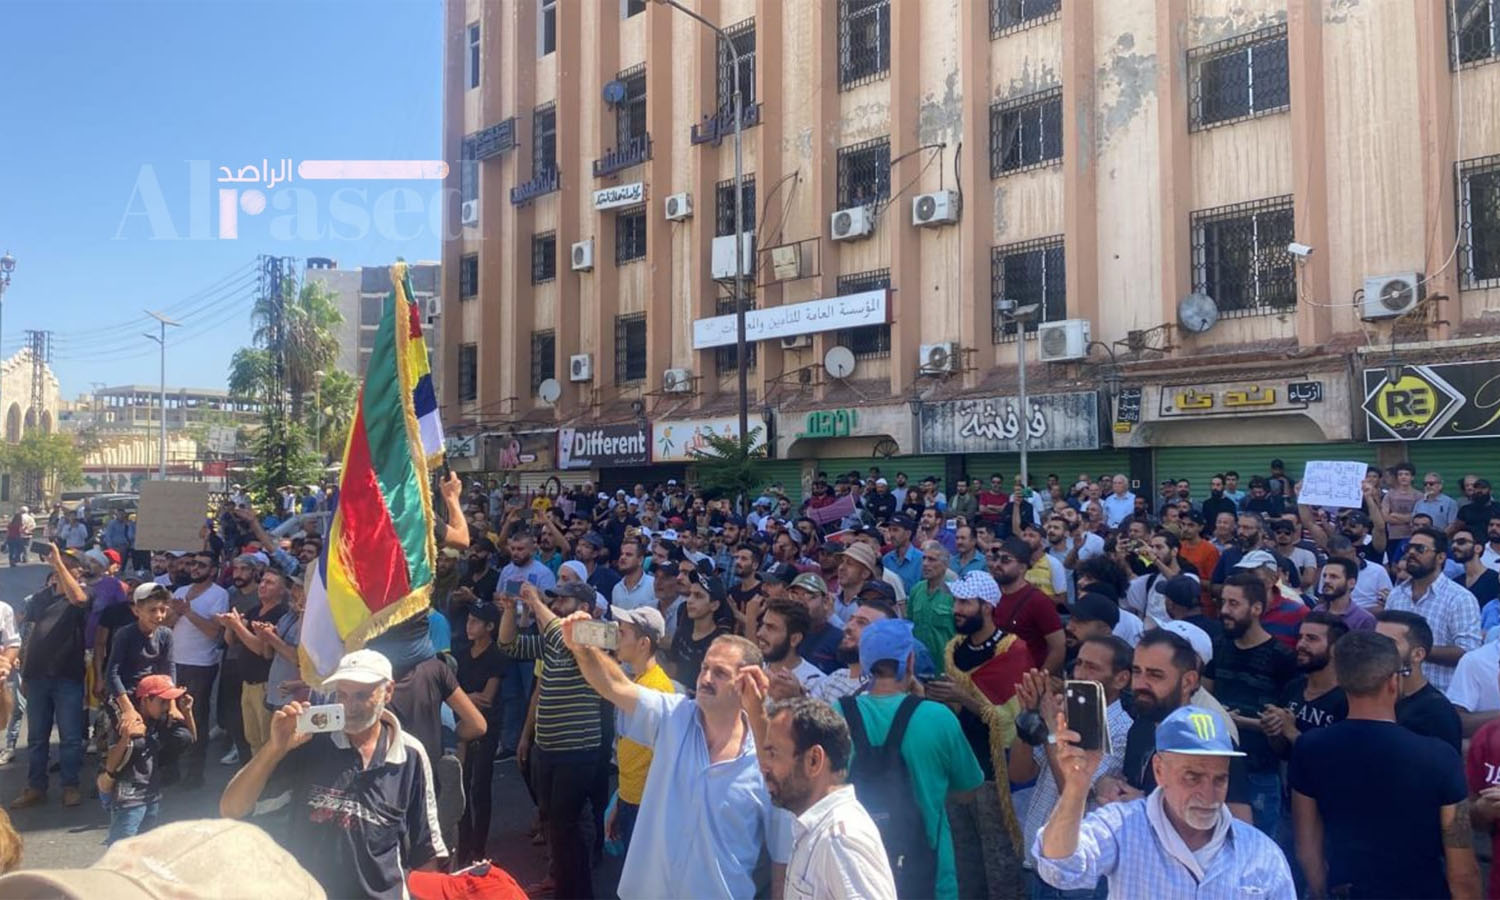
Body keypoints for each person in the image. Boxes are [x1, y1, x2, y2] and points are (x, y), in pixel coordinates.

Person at [559, 613, 792, 899]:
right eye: (705, 667)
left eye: (720, 673)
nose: (705, 678)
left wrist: (758, 712)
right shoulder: (673, 715)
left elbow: (782, 859)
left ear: (749, 683)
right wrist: (583, 649)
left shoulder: (767, 762)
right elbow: (614, 685)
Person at [219, 649, 448, 898]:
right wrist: (274, 749)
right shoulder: (311, 742)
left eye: (361, 695)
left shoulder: (409, 754)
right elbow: (232, 808)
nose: (349, 707)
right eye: (343, 694)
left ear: (388, 691)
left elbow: (425, 851)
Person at [1290, 630, 1479, 900]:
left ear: (1341, 680)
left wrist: (1321, 891)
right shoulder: (1440, 756)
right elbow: (1462, 869)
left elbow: (1306, 847)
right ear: (1393, 681)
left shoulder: (1309, 747)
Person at [1034, 705, 1293, 897]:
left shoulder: (1261, 853)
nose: (1208, 794)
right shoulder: (1121, 827)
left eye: (1220, 780)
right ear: (1159, 770)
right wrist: (1076, 787)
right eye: (1193, 777)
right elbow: (1060, 866)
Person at [835, 618, 982, 899]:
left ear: (865, 663)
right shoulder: (938, 718)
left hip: (853, 876)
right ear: (910, 661)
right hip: (929, 878)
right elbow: (968, 790)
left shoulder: (836, 714)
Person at [925, 570, 1032, 897]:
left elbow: (1012, 720)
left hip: (993, 771)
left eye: (965, 602)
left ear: (986, 607)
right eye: (956, 600)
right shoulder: (953, 649)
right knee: (963, 856)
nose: (956, 608)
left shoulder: (1013, 651)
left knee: (999, 859)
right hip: (957, 766)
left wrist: (962, 699)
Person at [498, 582, 604, 899]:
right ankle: (565, 887)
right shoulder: (553, 637)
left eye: (563, 600)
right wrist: (509, 611)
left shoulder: (598, 632)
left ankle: (579, 892)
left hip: (578, 750)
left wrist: (533, 601)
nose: (556, 605)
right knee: (555, 825)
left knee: (568, 827)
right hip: (550, 748)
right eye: (553, 599)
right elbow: (509, 645)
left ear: (583, 606)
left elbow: (561, 634)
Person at [1010, 637, 1133, 899]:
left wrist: (1053, 733)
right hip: (1037, 861)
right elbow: (1020, 774)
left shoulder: (1123, 729)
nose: (1080, 674)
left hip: (1076, 875)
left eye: (1092, 667)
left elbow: (1075, 789)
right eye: (1079, 664)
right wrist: (1028, 718)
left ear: (1121, 679)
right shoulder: (1063, 713)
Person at [754, 696, 897, 900]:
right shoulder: (813, 828)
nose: (764, 766)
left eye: (773, 754)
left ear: (814, 760)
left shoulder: (841, 840)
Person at [1207, 573, 1295, 836]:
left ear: (1256, 609)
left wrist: (1238, 721)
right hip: (1216, 766)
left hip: (1259, 772)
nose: (1224, 611)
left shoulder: (1282, 658)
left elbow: (1284, 723)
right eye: (1223, 602)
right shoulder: (1219, 647)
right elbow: (1204, 699)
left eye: (1234, 604)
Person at [12, 548, 89, 809]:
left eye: (69, 565)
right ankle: (36, 787)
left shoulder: (80, 596)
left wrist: (58, 561)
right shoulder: (39, 599)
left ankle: (70, 785)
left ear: (79, 572)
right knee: (36, 738)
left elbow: (78, 598)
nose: (59, 568)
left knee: (69, 737)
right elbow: (30, 634)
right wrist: (24, 672)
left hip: (67, 677)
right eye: (58, 565)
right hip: (37, 678)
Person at [99, 674, 195, 845]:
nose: (167, 707)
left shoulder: (160, 720)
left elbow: (190, 739)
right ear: (145, 700)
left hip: (151, 795)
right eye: (162, 702)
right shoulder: (127, 722)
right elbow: (110, 765)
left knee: (144, 849)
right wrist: (125, 738)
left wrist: (187, 712)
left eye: (168, 702)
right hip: (129, 799)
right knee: (121, 851)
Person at [608, 606, 674, 852]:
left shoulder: (654, 690)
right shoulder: (641, 681)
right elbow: (634, 751)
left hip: (646, 806)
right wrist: (620, 798)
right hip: (631, 797)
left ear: (644, 643)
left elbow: (660, 760)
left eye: (623, 633)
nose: (617, 638)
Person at [1382, 527, 1480, 692]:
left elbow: (1468, 653)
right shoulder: (1396, 595)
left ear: (1441, 557)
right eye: (1409, 548)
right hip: (1394, 693)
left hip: (1440, 695)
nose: (1411, 553)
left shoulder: (1460, 598)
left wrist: (1415, 650)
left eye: (1420, 549)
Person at [167, 549, 229, 789]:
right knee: (170, 716)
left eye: (202, 565)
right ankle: (170, 767)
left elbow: (214, 632)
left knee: (196, 717)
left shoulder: (218, 594)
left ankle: (195, 772)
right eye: (193, 564)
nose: (195, 569)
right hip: (174, 661)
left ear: (213, 571)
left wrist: (188, 612)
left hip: (201, 664)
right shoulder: (181, 591)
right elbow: (168, 624)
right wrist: (175, 613)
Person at [452, 603, 504, 866]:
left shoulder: (496, 656)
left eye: (475, 622)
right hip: (462, 726)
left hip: (487, 727)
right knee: (461, 784)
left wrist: (463, 696)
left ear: (490, 627)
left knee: (480, 786)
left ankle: (478, 847)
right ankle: (463, 843)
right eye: (468, 620)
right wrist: (466, 697)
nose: (469, 626)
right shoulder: (461, 653)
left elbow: (486, 698)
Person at [1261, 612, 1349, 755]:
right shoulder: (1294, 687)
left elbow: (1335, 759)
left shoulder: (1348, 699)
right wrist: (1274, 731)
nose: (1301, 644)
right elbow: (1283, 752)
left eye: (1311, 639)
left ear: (1336, 648)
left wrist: (1292, 732)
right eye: (1300, 637)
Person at [1375, 609, 1463, 753]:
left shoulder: (1436, 714)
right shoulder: (1365, 697)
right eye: (1374, 640)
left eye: (1388, 643)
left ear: (1417, 654)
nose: (1376, 649)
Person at [986, 538, 1065, 673]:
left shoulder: (1038, 601)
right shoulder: (990, 593)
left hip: (1024, 680)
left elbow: (1058, 646)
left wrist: (1039, 680)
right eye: (996, 558)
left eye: (1006, 560)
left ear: (1022, 568)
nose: (997, 564)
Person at [664, 573, 730, 689]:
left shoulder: (720, 643)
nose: (690, 600)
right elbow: (672, 666)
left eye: (698, 596)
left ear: (714, 605)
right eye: (690, 594)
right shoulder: (683, 630)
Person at [757, 598, 825, 693]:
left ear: (795, 639)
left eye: (771, 628)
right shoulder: (754, 670)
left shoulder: (815, 683)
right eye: (762, 625)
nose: (760, 633)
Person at [908, 541, 955, 664]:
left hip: (945, 666)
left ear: (945, 564)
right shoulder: (916, 590)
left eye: (932, 560)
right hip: (918, 665)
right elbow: (909, 624)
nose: (925, 564)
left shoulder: (955, 592)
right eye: (924, 559)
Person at [789, 573, 842, 675]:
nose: (800, 601)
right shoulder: (784, 633)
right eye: (794, 594)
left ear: (825, 601)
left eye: (808, 595)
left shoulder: (838, 639)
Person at [1451, 527, 1500, 628]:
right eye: (1453, 542)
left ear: (1478, 548)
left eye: (1461, 542)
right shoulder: (1454, 583)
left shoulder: (1495, 580)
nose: (1454, 546)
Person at [1311, 557, 1377, 631]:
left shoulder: (1363, 619)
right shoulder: (1317, 611)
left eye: (1333, 577)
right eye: (1325, 576)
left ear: (1351, 583)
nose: (1326, 580)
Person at [611, 537, 655, 612]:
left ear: (640, 560)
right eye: (621, 554)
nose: (623, 557)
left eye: (628, 555)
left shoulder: (653, 585)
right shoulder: (617, 589)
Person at [881, 514, 923, 593]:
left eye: (895, 530)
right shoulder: (886, 559)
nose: (891, 534)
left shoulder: (921, 559)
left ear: (908, 534)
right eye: (890, 530)